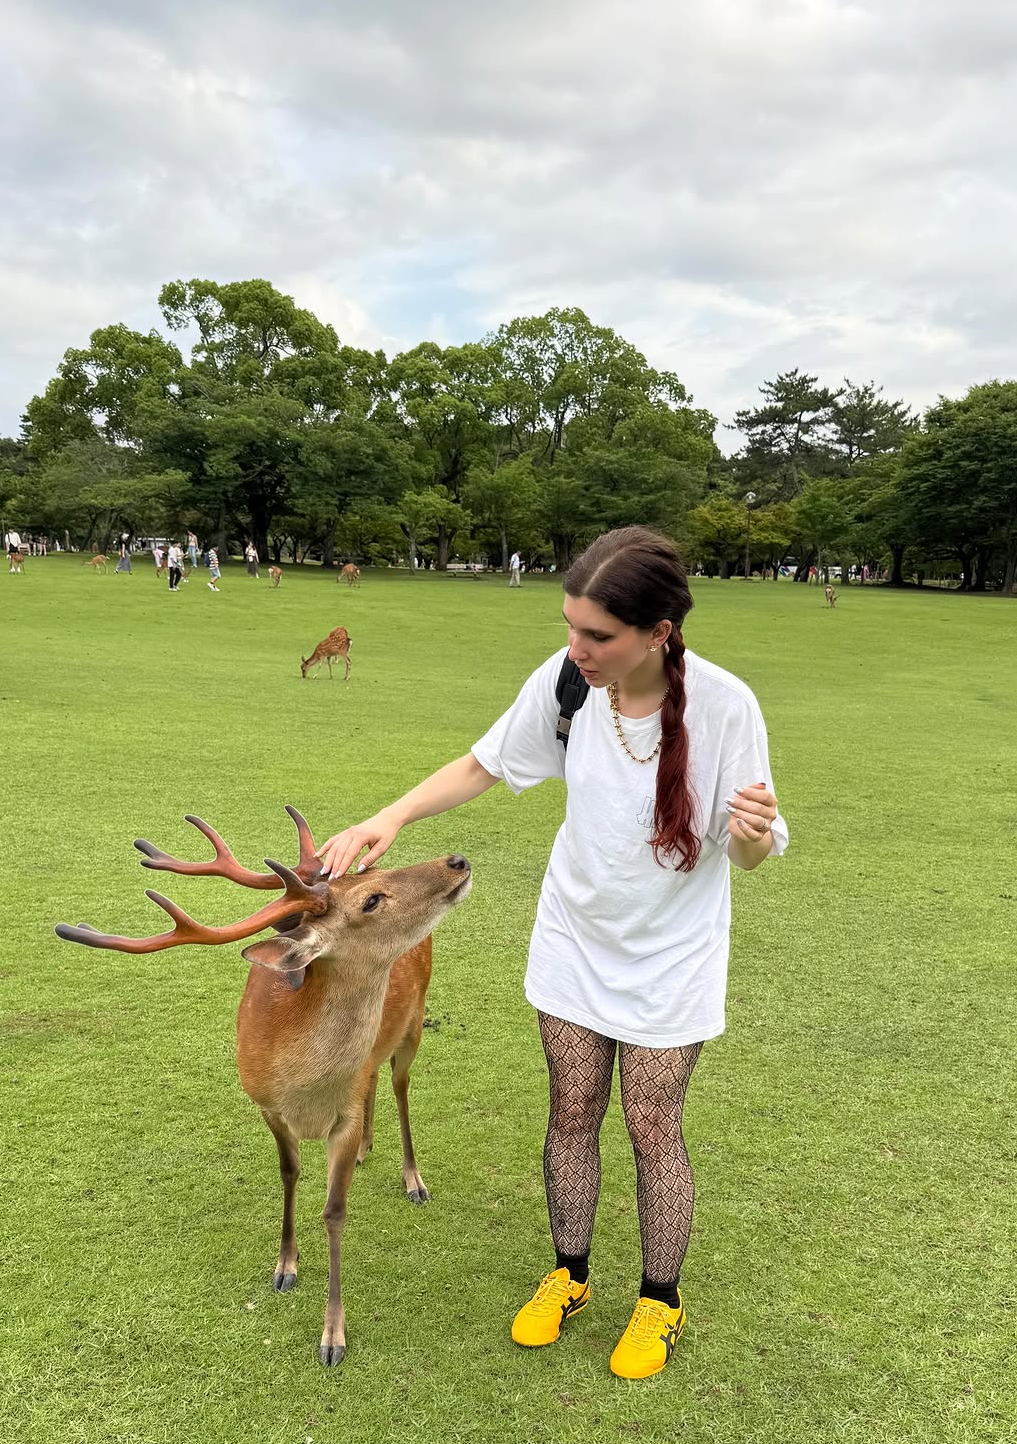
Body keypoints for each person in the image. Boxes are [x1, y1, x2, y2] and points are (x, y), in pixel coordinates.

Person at [316, 527, 788, 1380]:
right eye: (571, 626)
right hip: (575, 938)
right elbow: (485, 763)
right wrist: (392, 817)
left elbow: (748, 851)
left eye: (598, 635)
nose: (578, 648)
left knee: (651, 1126)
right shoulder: (569, 683)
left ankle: (659, 1301)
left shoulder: (726, 706)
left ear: (659, 632)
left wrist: (752, 835)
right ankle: (569, 1275)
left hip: (672, 955)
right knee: (572, 1111)